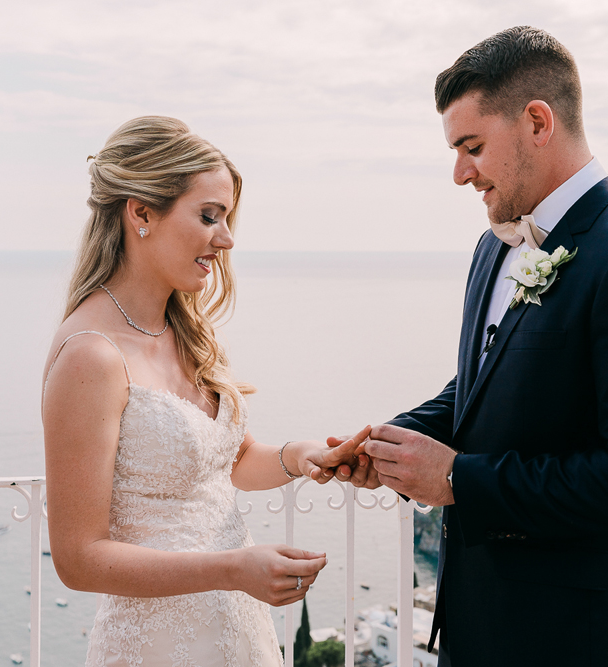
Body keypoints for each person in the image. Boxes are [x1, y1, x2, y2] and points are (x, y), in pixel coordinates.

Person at [353, 27, 608, 665]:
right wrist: (392, 442)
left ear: (537, 122)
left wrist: (459, 478)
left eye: (472, 146)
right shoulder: (494, 245)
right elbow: (483, 386)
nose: (460, 172)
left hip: (579, 636)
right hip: (480, 625)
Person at [41, 116, 368, 667]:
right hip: (158, 647)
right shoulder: (91, 356)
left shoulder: (184, 330)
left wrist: (302, 456)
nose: (227, 238)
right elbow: (78, 560)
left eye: (227, 218)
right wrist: (235, 568)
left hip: (238, 632)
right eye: (209, 215)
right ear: (141, 212)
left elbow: (229, 460)